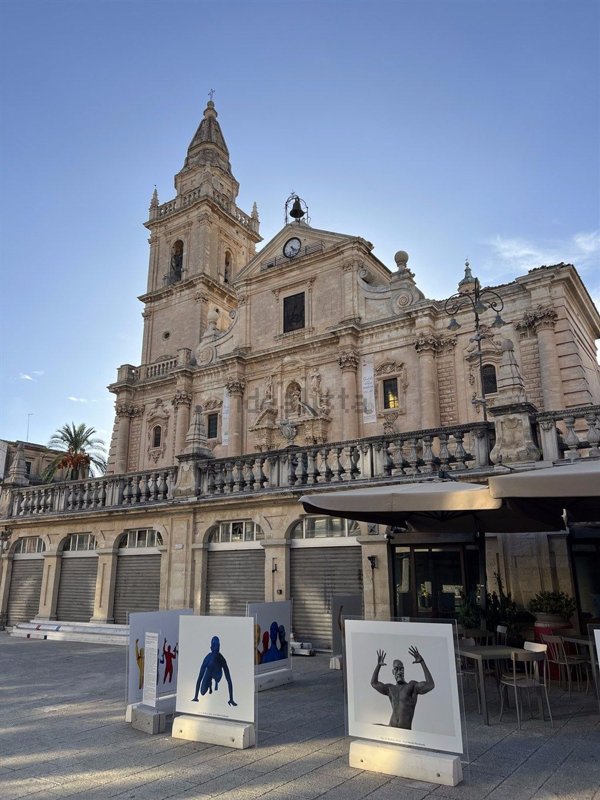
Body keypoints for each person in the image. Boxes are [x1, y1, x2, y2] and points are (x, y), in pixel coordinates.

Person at [371, 646, 434, 729]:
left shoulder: (411, 686)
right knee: (369, 728)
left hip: (405, 731)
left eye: (401, 669)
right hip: (391, 728)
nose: (399, 672)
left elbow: (430, 685)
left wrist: (422, 662)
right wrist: (378, 665)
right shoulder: (390, 688)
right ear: (393, 672)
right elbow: (374, 683)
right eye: (396, 669)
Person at [192, 635, 237, 707]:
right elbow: (199, 678)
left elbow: (229, 679)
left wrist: (231, 698)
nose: (216, 648)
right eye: (214, 646)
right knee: (203, 692)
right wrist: (196, 697)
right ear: (211, 648)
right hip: (209, 672)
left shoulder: (222, 659)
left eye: (217, 646)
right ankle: (210, 684)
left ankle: (215, 682)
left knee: (216, 677)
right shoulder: (208, 659)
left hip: (217, 674)